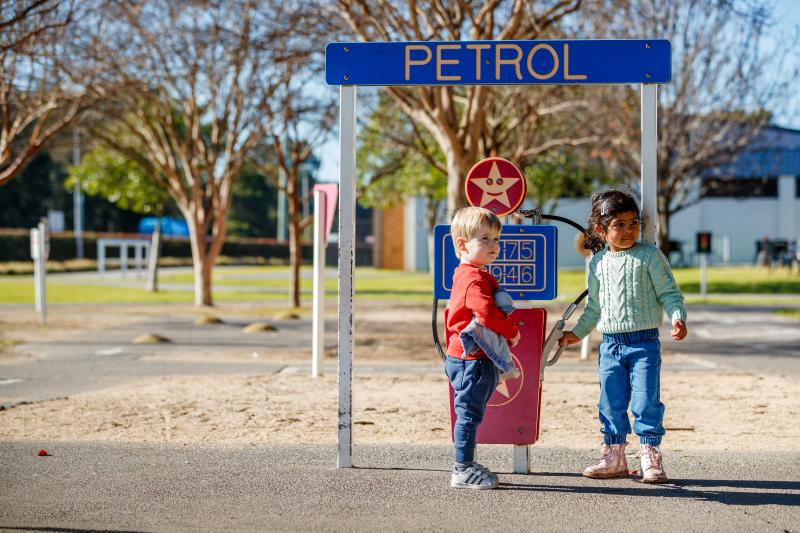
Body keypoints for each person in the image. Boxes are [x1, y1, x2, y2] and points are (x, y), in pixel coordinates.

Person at [558, 190, 687, 484]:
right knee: (610, 403)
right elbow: (594, 308)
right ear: (601, 230)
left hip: (644, 344)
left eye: (633, 223)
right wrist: (575, 334)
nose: (628, 230)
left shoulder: (650, 256)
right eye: (619, 224)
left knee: (645, 402)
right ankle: (614, 456)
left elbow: (669, 293)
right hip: (611, 346)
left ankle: (649, 455)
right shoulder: (598, 264)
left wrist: (678, 317)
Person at [444, 206, 521, 489]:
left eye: (496, 239)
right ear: (462, 245)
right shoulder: (473, 278)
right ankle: (462, 469)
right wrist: (511, 332)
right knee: (468, 414)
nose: (494, 245)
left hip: (469, 358)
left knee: (470, 412)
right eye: (485, 239)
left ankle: (466, 464)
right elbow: (486, 313)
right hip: (471, 360)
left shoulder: (472, 274)